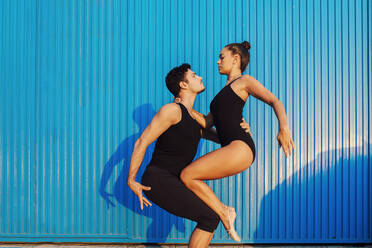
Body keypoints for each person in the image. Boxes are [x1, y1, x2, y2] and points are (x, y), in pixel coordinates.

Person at [179, 41, 295, 242]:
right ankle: (222, 213)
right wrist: (184, 109)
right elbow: (206, 123)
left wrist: (283, 128)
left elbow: (274, 101)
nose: (217, 61)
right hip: (233, 147)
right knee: (188, 176)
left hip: (241, 146)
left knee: (188, 175)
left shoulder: (244, 81)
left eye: (221, 57)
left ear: (235, 59)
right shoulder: (220, 94)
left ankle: (225, 212)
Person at [127, 64, 251, 248]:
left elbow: (224, 139)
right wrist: (131, 180)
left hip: (175, 180)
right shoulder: (171, 110)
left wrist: (242, 131)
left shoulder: (195, 119)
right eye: (193, 75)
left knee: (210, 218)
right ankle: (224, 212)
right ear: (183, 85)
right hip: (158, 179)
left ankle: (223, 213)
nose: (199, 77)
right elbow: (142, 142)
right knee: (209, 217)